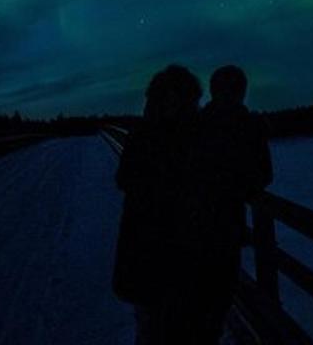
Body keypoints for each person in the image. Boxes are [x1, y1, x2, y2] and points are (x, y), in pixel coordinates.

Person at [113, 65, 203, 345]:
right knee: (159, 326)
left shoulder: (147, 135)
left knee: (163, 326)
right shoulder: (164, 138)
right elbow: (129, 180)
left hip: (163, 254)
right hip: (160, 252)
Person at [189, 64, 273, 344]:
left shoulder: (196, 124)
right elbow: (263, 175)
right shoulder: (249, 125)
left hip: (194, 224)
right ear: (241, 91)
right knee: (220, 295)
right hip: (227, 226)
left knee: (200, 299)